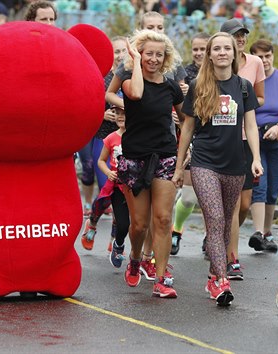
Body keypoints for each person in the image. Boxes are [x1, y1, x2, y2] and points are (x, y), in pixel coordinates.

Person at [173, 32, 262, 306]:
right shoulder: (199, 85)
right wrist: (179, 167)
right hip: (204, 162)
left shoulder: (244, 87)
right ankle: (220, 280)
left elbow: (250, 125)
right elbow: (187, 127)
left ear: (234, 54)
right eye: (217, 49)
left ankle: (214, 273)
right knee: (214, 218)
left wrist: (256, 159)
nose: (223, 52)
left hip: (236, 163)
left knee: (225, 223)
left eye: (227, 48)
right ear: (209, 55)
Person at [106, 11, 188, 282]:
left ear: (166, 59)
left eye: (159, 55)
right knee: (140, 225)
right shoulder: (130, 81)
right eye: (148, 54)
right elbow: (137, 94)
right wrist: (136, 62)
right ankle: (135, 258)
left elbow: (185, 119)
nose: (154, 59)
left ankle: (162, 278)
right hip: (134, 158)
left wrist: (184, 148)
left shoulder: (171, 87)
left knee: (163, 219)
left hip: (164, 155)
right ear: (140, 55)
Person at [218, 19, 269, 260]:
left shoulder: (256, 62)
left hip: (246, 137)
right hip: (222, 138)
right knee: (229, 200)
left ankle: (226, 233)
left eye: (242, 35)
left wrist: (242, 102)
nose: (240, 39)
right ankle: (224, 243)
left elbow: (260, 98)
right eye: (235, 35)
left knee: (245, 203)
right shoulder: (217, 63)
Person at [248, 39, 278, 257]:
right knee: (260, 183)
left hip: (277, 137)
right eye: (260, 56)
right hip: (254, 136)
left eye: (268, 56)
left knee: (274, 187)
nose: (264, 61)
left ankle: (268, 232)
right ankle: (258, 232)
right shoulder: (250, 77)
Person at [80, 36, 128, 240]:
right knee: (106, 187)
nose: (119, 56)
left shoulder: (135, 78)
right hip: (104, 137)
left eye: (123, 51)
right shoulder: (102, 79)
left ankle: (116, 237)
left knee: (123, 193)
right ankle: (92, 221)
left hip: (130, 140)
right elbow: (84, 106)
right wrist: (101, 114)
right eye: (115, 52)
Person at [170, 32, 209, 257]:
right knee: (188, 197)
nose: (199, 53)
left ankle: (209, 236)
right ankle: (177, 230)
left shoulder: (218, 74)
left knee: (208, 197)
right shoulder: (185, 73)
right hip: (189, 136)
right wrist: (177, 115)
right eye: (195, 49)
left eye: (203, 49)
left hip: (211, 138)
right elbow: (172, 100)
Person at [86, 105, 131, 268]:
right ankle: (91, 223)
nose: (120, 117)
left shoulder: (137, 137)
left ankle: (117, 244)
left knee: (124, 223)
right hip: (115, 184)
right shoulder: (111, 138)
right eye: (117, 113)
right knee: (101, 204)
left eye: (124, 114)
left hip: (131, 186)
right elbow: (100, 161)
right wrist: (108, 172)